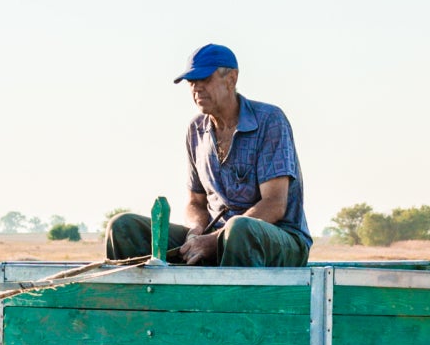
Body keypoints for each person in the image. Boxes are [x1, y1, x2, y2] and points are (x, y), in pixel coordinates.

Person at [106, 44, 311, 267]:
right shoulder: (196, 129)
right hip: (214, 237)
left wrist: (216, 239)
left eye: (205, 79)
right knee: (123, 226)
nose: (197, 88)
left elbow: (274, 204)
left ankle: (228, 301)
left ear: (231, 78)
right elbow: (196, 201)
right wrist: (195, 232)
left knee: (239, 228)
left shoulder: (269, 120)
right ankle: (148, 302)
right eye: (192, 82)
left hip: (278, 240)